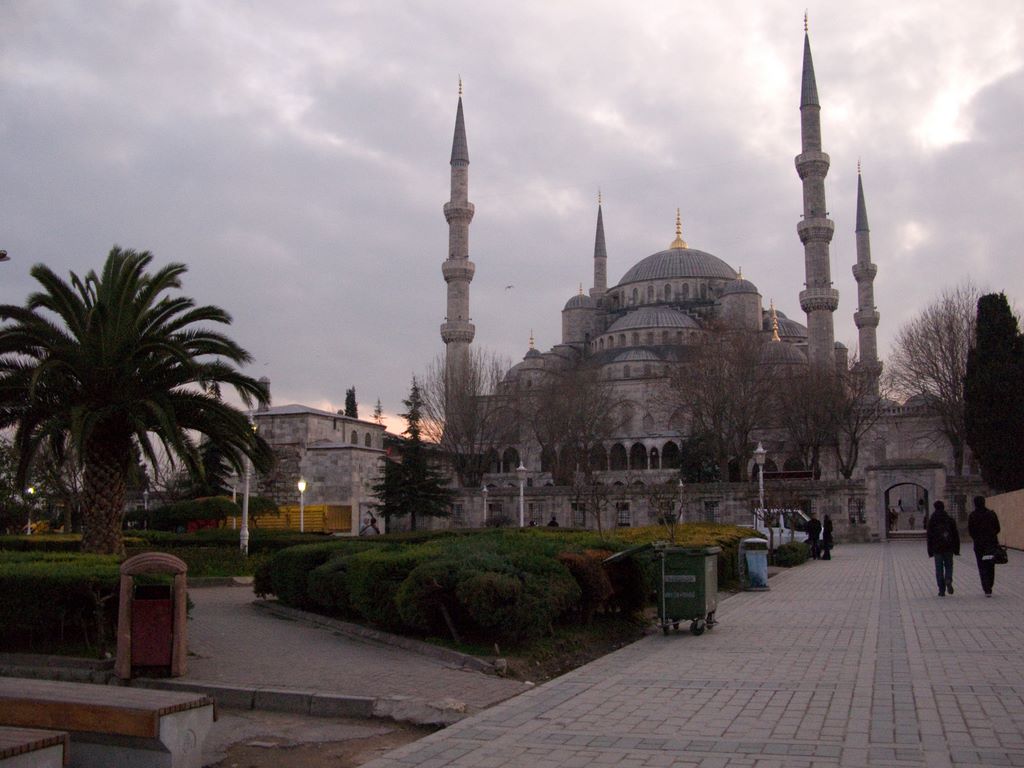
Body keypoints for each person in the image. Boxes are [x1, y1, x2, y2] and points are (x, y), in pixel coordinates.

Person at [967, 495, 1001, 597]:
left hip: (979, 545)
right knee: (990, 565)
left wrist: (977, 538)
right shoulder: (991, 514)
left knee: (981, 565)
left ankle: (986, 587)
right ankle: (990, 585)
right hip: (991, 544)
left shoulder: (973, 515)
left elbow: (971, 531)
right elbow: (997, 528)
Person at [926, 500, 960, 597]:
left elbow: (929, 536)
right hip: (948, 547)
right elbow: (955, 535)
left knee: (939, 568)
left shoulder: (932, 520)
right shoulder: (949, 519)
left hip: (937, 548)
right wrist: (957, 549)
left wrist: (930, 550)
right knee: (949, 565)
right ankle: (948, 579)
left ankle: (941, 589)